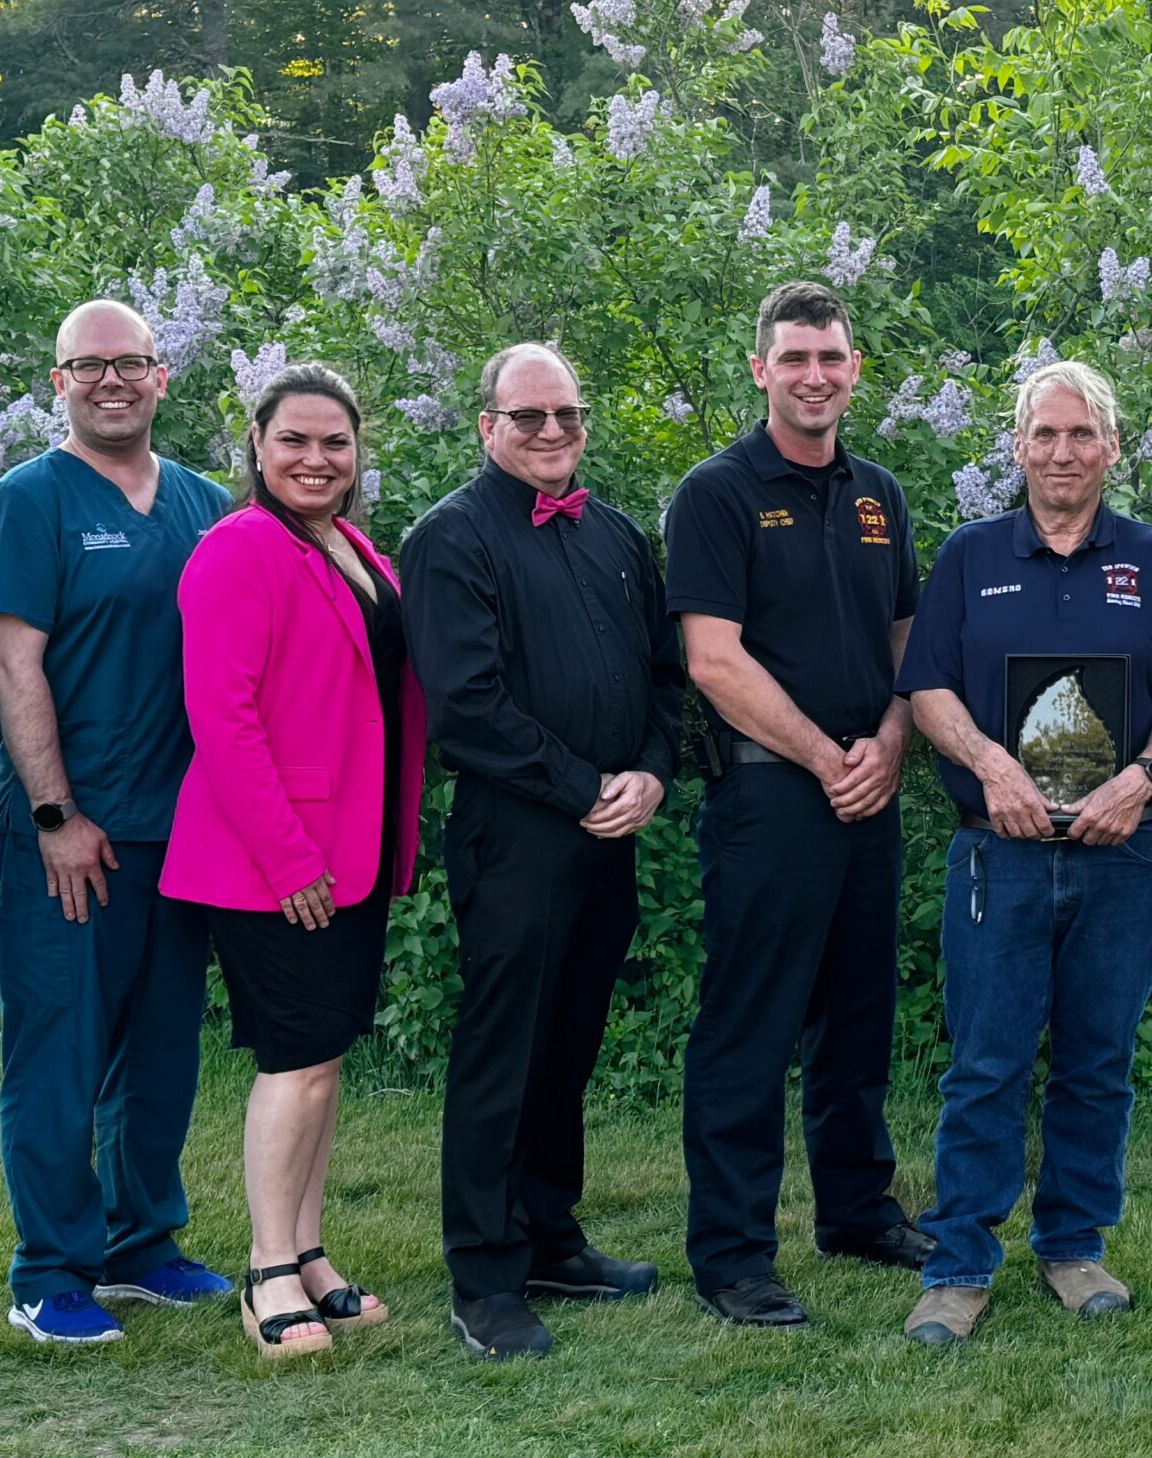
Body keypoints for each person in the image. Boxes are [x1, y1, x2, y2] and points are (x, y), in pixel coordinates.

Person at [892, 362, 1152, 1345]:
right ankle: (958, 1266)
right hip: (1002, 853)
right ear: (1018, 447)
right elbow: (929, 688)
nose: (1063, 452)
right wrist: (991, 766)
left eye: (1082, 435)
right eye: (1045, 435)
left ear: (1111, 447)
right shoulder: (969, 555)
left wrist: (1142, 781)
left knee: (1096, 1063)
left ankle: (1073, 1248)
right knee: (985, 1065)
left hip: (1128, 853)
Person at [400, 343, 682, 1361]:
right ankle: (484, 1277)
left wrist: (650, 772)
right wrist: (584, 789)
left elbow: (663, 671)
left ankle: (551, 1237)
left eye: (566, 414)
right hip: (516, 834)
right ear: (487, 428)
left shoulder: (611, 531)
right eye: (529, 418)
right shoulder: (450, 539)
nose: (552, 433)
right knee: (502, 1055)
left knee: (568, 1043)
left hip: (609, 832)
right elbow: (466, 709)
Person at [0, 299, 234, 1344]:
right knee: (60, 1055)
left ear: (164, 377)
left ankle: (140, 1245)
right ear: (58, 382)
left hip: (184, 833)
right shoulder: (26, 502)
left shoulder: (208, 504)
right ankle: (49, 1271)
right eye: (88, 366)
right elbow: (14, 663)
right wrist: (55, 814)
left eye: (129, 363)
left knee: (161, 1053)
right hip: (72, 836)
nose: (110, 380)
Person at [668, 281, 932, 1328]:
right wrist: (831, 758)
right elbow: (712, 660)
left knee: (858, 1020)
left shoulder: (880, 494)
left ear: (853, 369)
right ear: (760, 370)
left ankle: (857, 1212)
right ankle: (733, 1253)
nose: (814, 375)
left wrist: (896, 741)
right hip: (773, 798)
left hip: (869, 794)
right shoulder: (719, 493)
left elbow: (909, 642)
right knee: (750, 1025)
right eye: (794, 358)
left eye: (830, 357)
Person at [159, 364, 426, 1359]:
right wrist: (287, 858)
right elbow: (220, 718)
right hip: (277, 858)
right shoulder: (239, 550)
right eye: (294, 441)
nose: (316, 460)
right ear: (257, 448)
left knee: (323, 1058)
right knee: (294, 1061)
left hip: (350, 848)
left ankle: (309, 1252)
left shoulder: (350, 546)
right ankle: (268, 1270)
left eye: (335, 443)